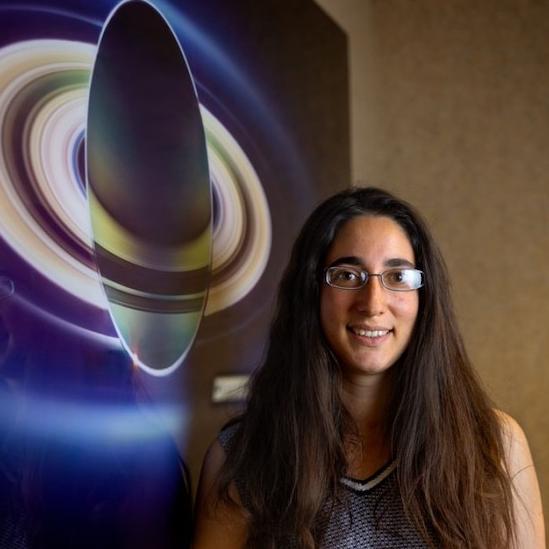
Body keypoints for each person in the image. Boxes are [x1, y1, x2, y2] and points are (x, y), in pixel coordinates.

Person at [193, 187, 545, 548]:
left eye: (398, 277)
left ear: (424, 299)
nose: (373, 303)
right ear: (312, 291)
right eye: (347, 276)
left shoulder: (494, 444)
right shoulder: (242, 456)